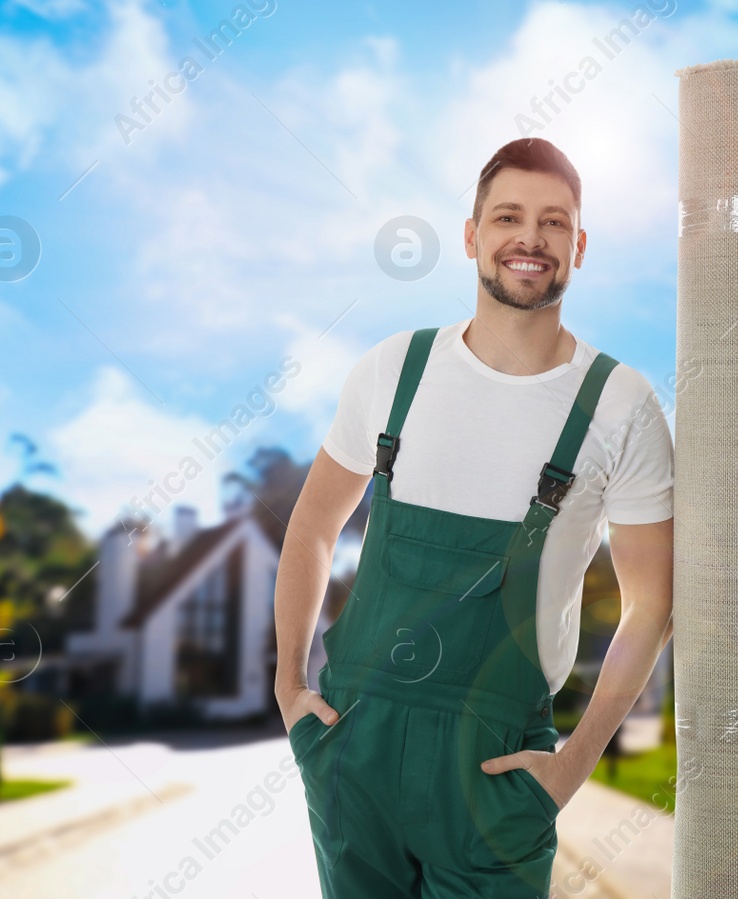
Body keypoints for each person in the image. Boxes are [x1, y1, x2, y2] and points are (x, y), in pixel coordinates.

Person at [272, 136, 675, 899]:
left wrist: (572, 764)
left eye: (554, 222)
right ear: (472, 235)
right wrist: (289, 686)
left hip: (495, 785)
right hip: (352, 759)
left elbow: (652, 602)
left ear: (579, 245)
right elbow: (313, 524)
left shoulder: (620, 405)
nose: (530, 239)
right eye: (508, 217)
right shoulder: (395, 369)